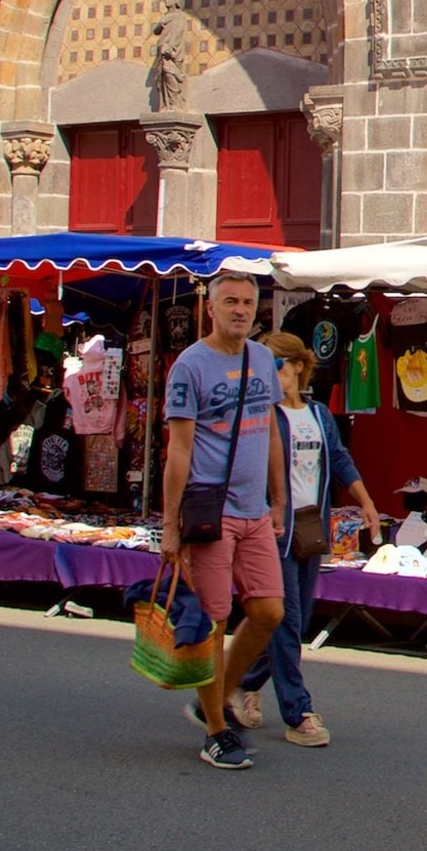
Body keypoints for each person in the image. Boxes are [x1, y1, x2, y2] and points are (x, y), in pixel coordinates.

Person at [163, 274, 288, 771]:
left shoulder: (261, 358)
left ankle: (219, 693)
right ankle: (216, 729)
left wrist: (278, 500)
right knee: (212, 622)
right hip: (210, 513)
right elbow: (179, 448)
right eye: (230, 302)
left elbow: (273, 433)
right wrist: (170, 526)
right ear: (211, 309)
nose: (240, 310)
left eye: (248, 302)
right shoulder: (189, 366)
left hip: (255, 512)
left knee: (268, 613)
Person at [232, 330, 378, 749]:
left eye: (278, 364)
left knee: (291, 620)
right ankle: (298, 712)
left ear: (297, 365)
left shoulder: (318, 415)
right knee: (288, 619)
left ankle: (242, 681)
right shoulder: (262, 416)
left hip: (311, 528)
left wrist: (366, 503)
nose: (272, 374)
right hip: (272, 530)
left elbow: (340, 459)